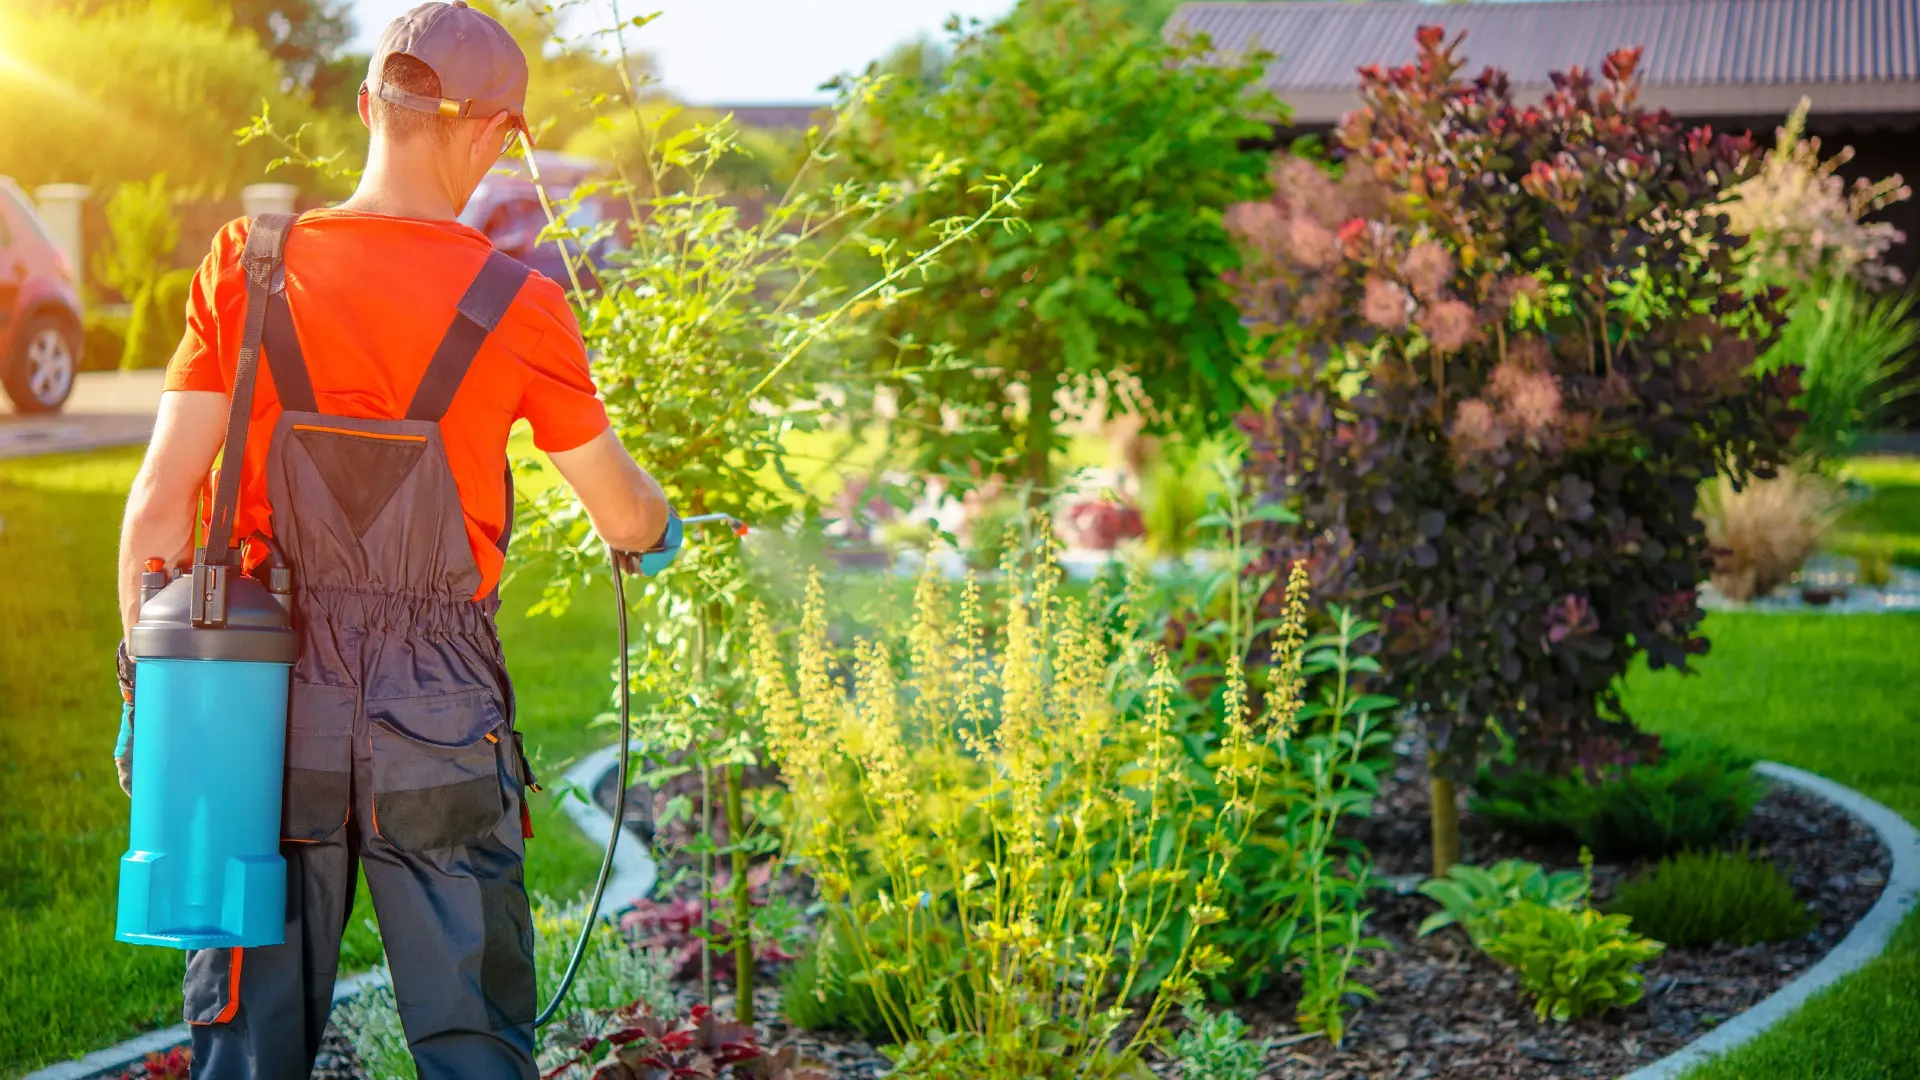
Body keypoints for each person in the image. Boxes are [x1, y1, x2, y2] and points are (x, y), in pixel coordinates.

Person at [113, 4, 671, 1077]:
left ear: (369, 105)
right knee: (474, 1042)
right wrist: (660, 530)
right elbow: (624, 515)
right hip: (442, 711)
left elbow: (155, 506)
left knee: (246, 1040)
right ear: (499, 133)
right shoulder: (521, 303)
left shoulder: (247, 263)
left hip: (260, 701)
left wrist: (152, 697)